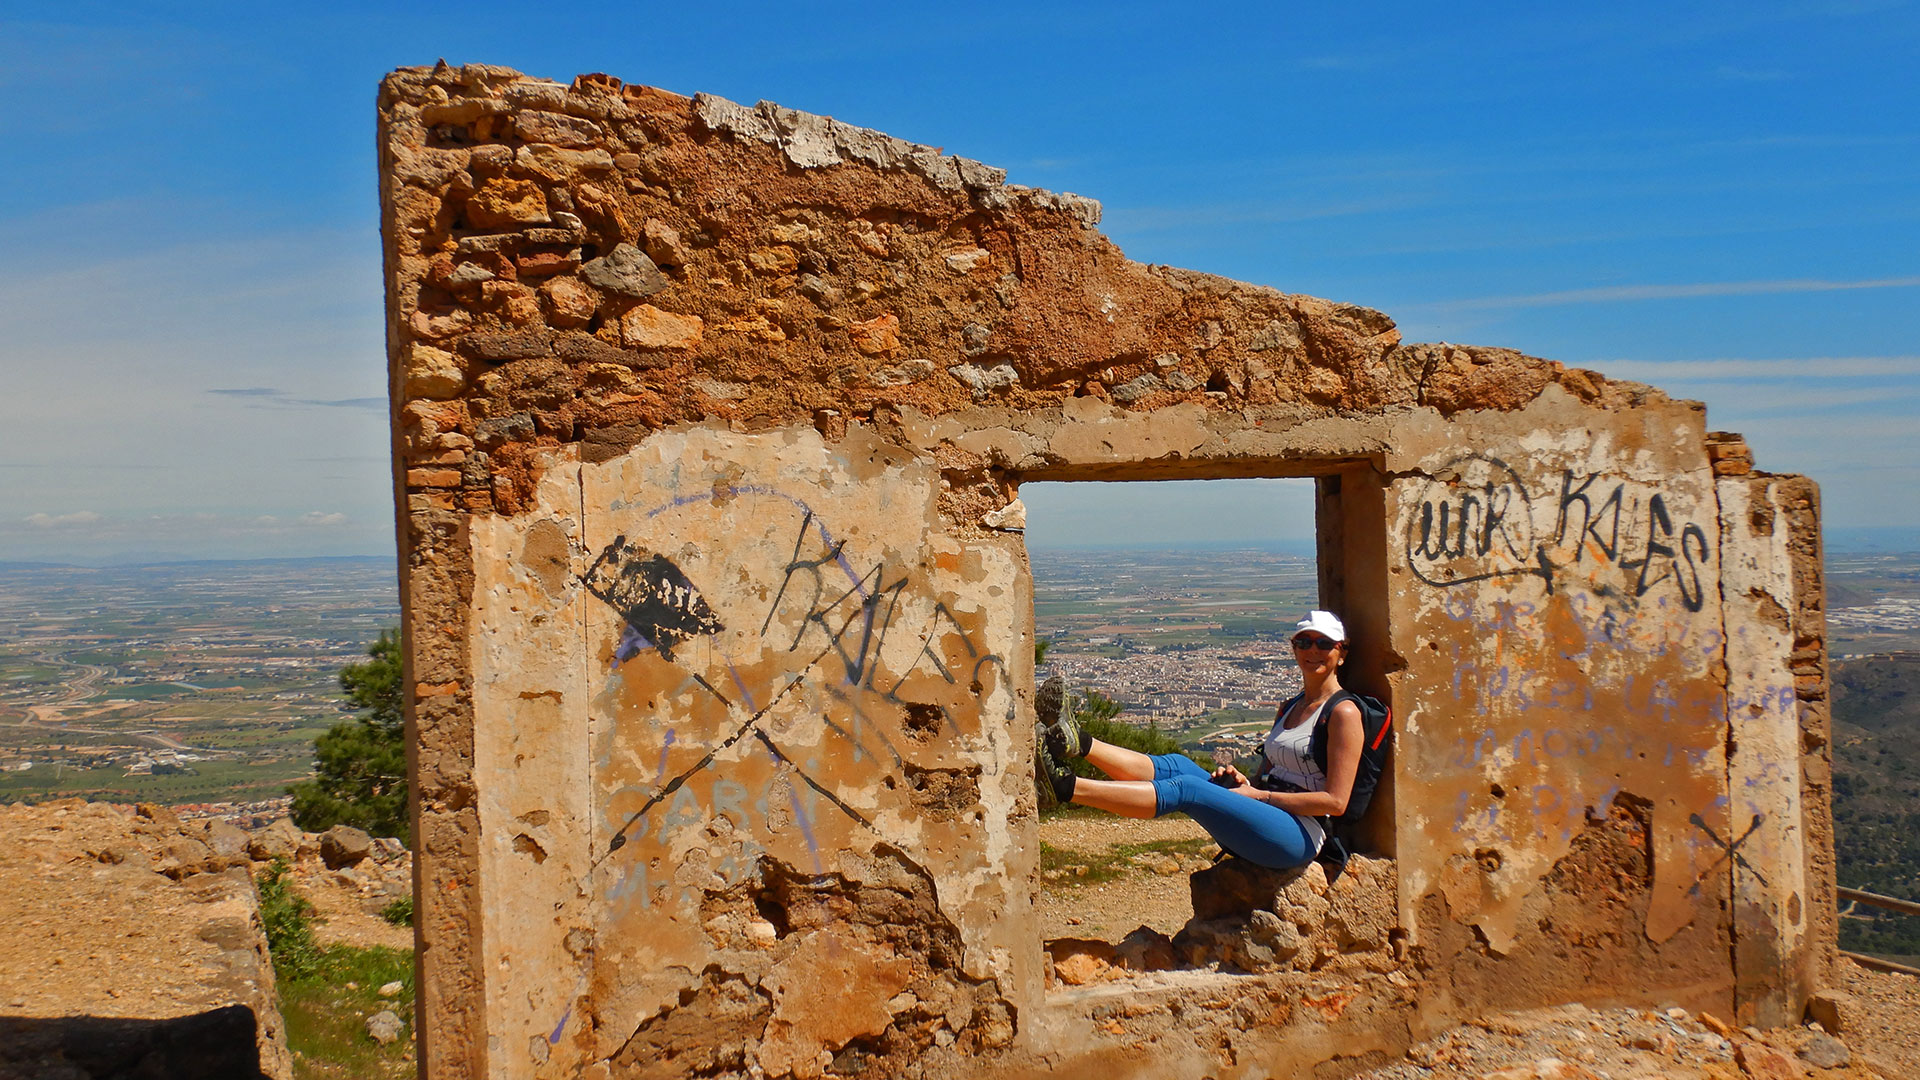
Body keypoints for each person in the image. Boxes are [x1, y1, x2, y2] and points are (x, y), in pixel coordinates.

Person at [1034, 610, 1365, 871]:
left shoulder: (1344, 713)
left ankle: (1064, 788)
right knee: (1178, 765)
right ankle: (1080, 743)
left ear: (1341, 653)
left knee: (1187, 789)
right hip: (1269, 813)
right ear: (1294, 649)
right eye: (1304, 643)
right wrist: (1243, 784)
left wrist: (1259, 796)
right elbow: (1273, 774)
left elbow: (1336, 802)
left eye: (1324, 644)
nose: (1312, 651)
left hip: (1300, 835)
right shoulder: (1291, 706)